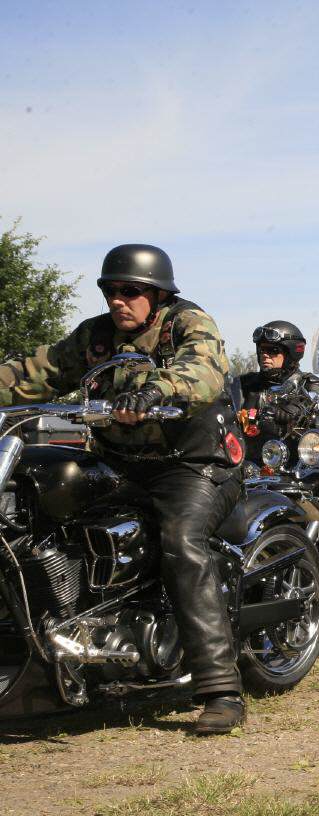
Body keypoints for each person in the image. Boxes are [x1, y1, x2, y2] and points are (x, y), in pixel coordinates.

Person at [0, 244, 248, 733]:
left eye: (131, 290)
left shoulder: (187, 323)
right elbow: (36, 373)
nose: (118, 299)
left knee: (181, 541)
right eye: (110, 290)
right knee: (38, 511)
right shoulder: (95, 336)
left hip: (193, 464)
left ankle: (220, 688)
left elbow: (202, 370)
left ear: (158, 295)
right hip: (120, 461)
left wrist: (157, 389)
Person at [237, 320, 319, 459]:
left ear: (291, 354)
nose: (265, 355)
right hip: (245, 459)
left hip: (290, 462)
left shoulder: (308, 384)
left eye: (273, 351)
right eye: (262, 350)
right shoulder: (246, 383)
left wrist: (298, 410)